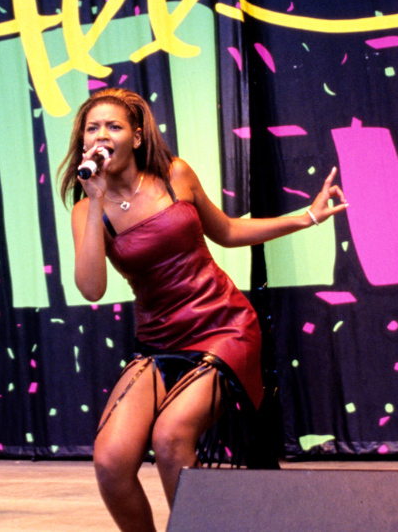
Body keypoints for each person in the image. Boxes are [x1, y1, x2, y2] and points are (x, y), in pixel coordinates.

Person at [57, 88, 347, 532]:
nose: (101, 135)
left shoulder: (175, 175)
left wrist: (306, 216)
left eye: (113, 126)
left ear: (136, 137)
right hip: (159, 342)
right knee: (111, 461)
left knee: (171, 439)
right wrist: (95, 200)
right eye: (92, 128)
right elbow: (92, 288)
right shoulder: (85, 210)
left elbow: (228, 230)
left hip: (223, 325)